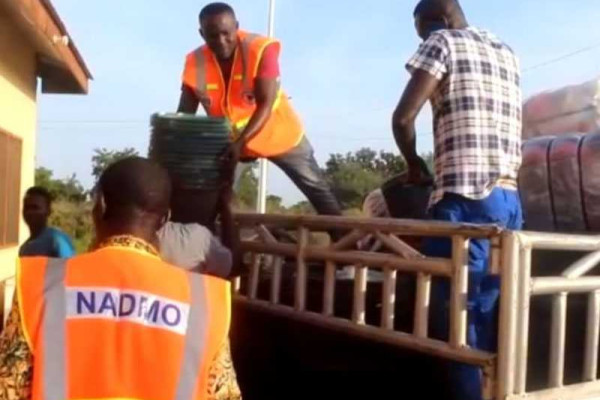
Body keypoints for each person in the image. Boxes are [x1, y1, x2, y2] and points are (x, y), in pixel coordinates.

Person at [0, 157, 240, 400]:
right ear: (165, 218)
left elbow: (8, 388)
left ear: (101, 205)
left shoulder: (41, 285)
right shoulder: (205, 304)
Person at [391, 1, 523, 399]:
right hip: (509, 198)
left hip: (463, 197)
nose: (424, 39)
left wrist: (414, 165)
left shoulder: (442, 43)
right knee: (491, 310)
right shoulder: (506, 50)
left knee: (456, 317)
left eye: (422, 31)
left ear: (437, 22)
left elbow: (402, 119)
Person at [178, 2, 342, 218]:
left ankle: (348, 243)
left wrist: (239, 143)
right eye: (212, 36)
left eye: (227, 33)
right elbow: (184, 117)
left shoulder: (261, 49)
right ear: (201, 34)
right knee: (215, 199)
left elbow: (265, 103)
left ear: (237, 26)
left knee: (319, 193)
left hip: (278, 134)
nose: (221, 41)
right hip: (231, 143)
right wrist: (179, 154)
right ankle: (220, 247)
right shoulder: (194, 61)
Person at [19, 186, 75, 258]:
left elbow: (72, 267)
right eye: (27, 207)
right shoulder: (24, 249)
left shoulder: (57, 240)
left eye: (35, 208)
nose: (30, 212)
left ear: (48, 211)